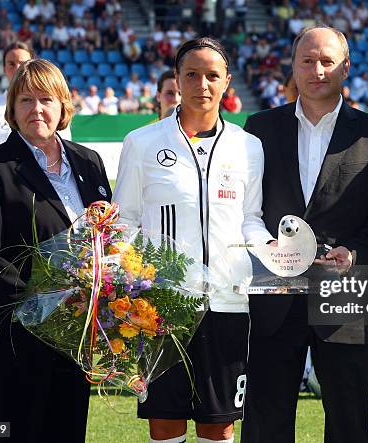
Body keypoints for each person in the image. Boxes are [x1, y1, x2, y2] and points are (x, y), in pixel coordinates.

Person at [241, 25, 368, 443]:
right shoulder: (259, 128)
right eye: (307, 61)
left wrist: (356, 251)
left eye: (327, 61)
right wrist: (265, 248)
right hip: (274, 292)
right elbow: (246, 209)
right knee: (265, 416)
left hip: (347, 292)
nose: (317, 70)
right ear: (292, 66)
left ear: (346, 67)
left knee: (348, 419)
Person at [113, 37, 273, 443]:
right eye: (192, 74)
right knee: (164, 423)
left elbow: (250, 218)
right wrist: (127, 283)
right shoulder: (142, 143)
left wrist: (275, 250)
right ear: (177, 80)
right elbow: (125, 222)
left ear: (227, 83)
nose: (202, 83)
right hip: (161, 308)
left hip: (228, 303)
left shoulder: (248, 147)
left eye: (212, 75)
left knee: (218, 426)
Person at [0, 59, 111, 442]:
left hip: (75, 335)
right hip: (13, 335)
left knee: (66, 430)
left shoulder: (89, 163)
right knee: (13, 432)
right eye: (26, 100)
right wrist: (51, 299)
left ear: (63, 106)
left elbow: (108, 240)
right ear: (11, 109)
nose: (37, 109)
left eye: (46, 99)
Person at [0, 43, 71, 160]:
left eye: (23, 63)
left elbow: (64, 148)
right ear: (4, 68)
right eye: (11, 64)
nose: (17, 68)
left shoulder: (54, 108)